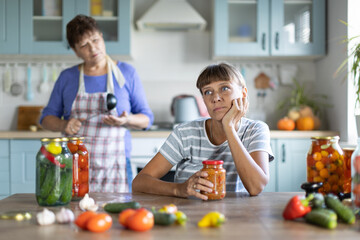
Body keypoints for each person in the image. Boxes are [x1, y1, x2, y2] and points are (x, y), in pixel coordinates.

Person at [40, 14, 154, 193]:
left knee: (117, 216)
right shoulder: (67, 77)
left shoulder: (126, 73)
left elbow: (147, 119)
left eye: (95, 39)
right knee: (75, 215)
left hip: (117, 164)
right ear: (75, 51)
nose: (93, 48)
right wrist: (64, 124)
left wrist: (127, 120)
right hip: (75, 164)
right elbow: (46, 119)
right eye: (84, 45)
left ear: (101, 37)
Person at [132, 63, 273, 200]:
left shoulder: (255, 130)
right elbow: (139, 182)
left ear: (243, 93)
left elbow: (256, 187)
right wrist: (178, 189)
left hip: (236, 216)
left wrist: (229, 127)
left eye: (224, 88)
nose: (215, 98)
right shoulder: (185, 132)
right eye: (208, 92)